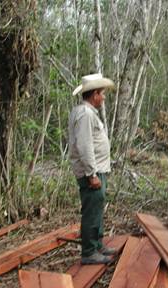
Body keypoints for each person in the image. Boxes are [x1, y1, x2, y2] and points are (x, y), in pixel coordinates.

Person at [68, 73, 117, 265]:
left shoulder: (87, 113)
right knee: (91, 210)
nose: (103, 97)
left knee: (97, 208)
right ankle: (89, 252)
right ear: (95, 94)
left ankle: (97, 244)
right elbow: (84, 146)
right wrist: (91, 174)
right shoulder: (85, 114)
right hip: (91, 173)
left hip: (97, 170)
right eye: (102, 94)